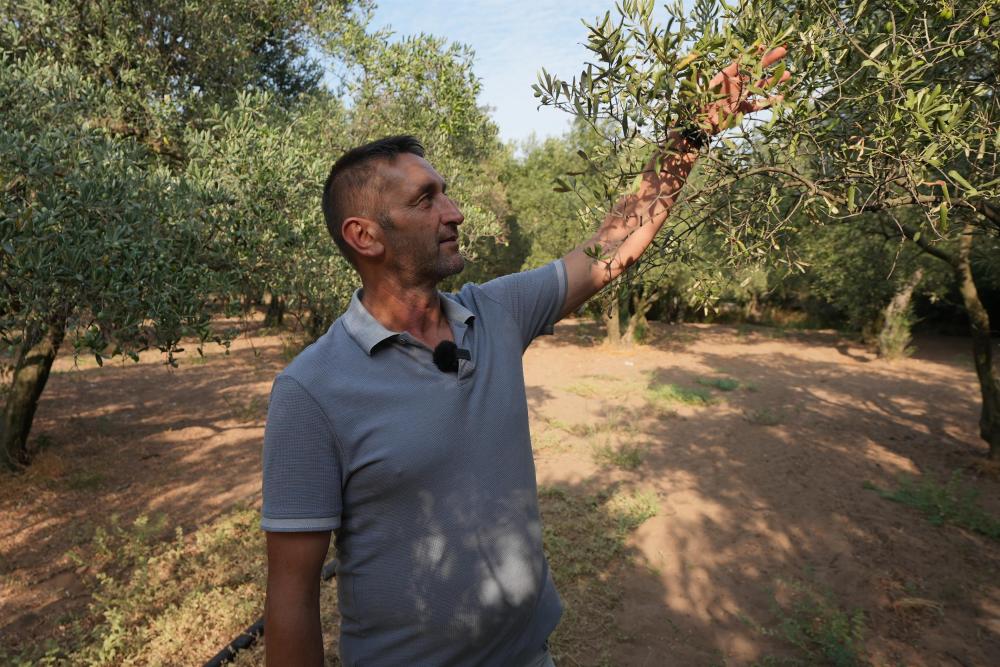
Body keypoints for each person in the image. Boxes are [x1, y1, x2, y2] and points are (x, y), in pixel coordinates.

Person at [261, 49, 791, 667]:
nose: (454, 212)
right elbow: (292, 595)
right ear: (365, 235)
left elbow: (613, 241)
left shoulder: (495, 314)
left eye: (447, 194)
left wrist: (694, 134)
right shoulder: (312, 390)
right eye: (425, 199)